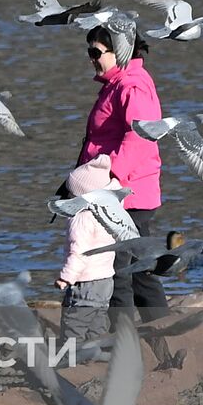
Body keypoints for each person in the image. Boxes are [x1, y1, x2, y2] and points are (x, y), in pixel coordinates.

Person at [79, 27, 170, 324]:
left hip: (127, 196)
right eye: (89, 52)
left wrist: (111, 179)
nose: (91, 59)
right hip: (121, 193)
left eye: (96, 53)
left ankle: (126, 343)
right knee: (140, 273)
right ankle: (164, 337)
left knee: (120, 273)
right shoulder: (116, 84)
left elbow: (141, 137)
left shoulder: (131, 85)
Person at [56, 155, 119, 344]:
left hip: (86, 282)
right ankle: (97, 361)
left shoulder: (82, 218)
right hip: (106, 279)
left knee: (73, 323)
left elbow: (79, 252)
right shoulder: (112, 209)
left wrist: (66, 277)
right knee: (97, 323)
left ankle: (69, 363)